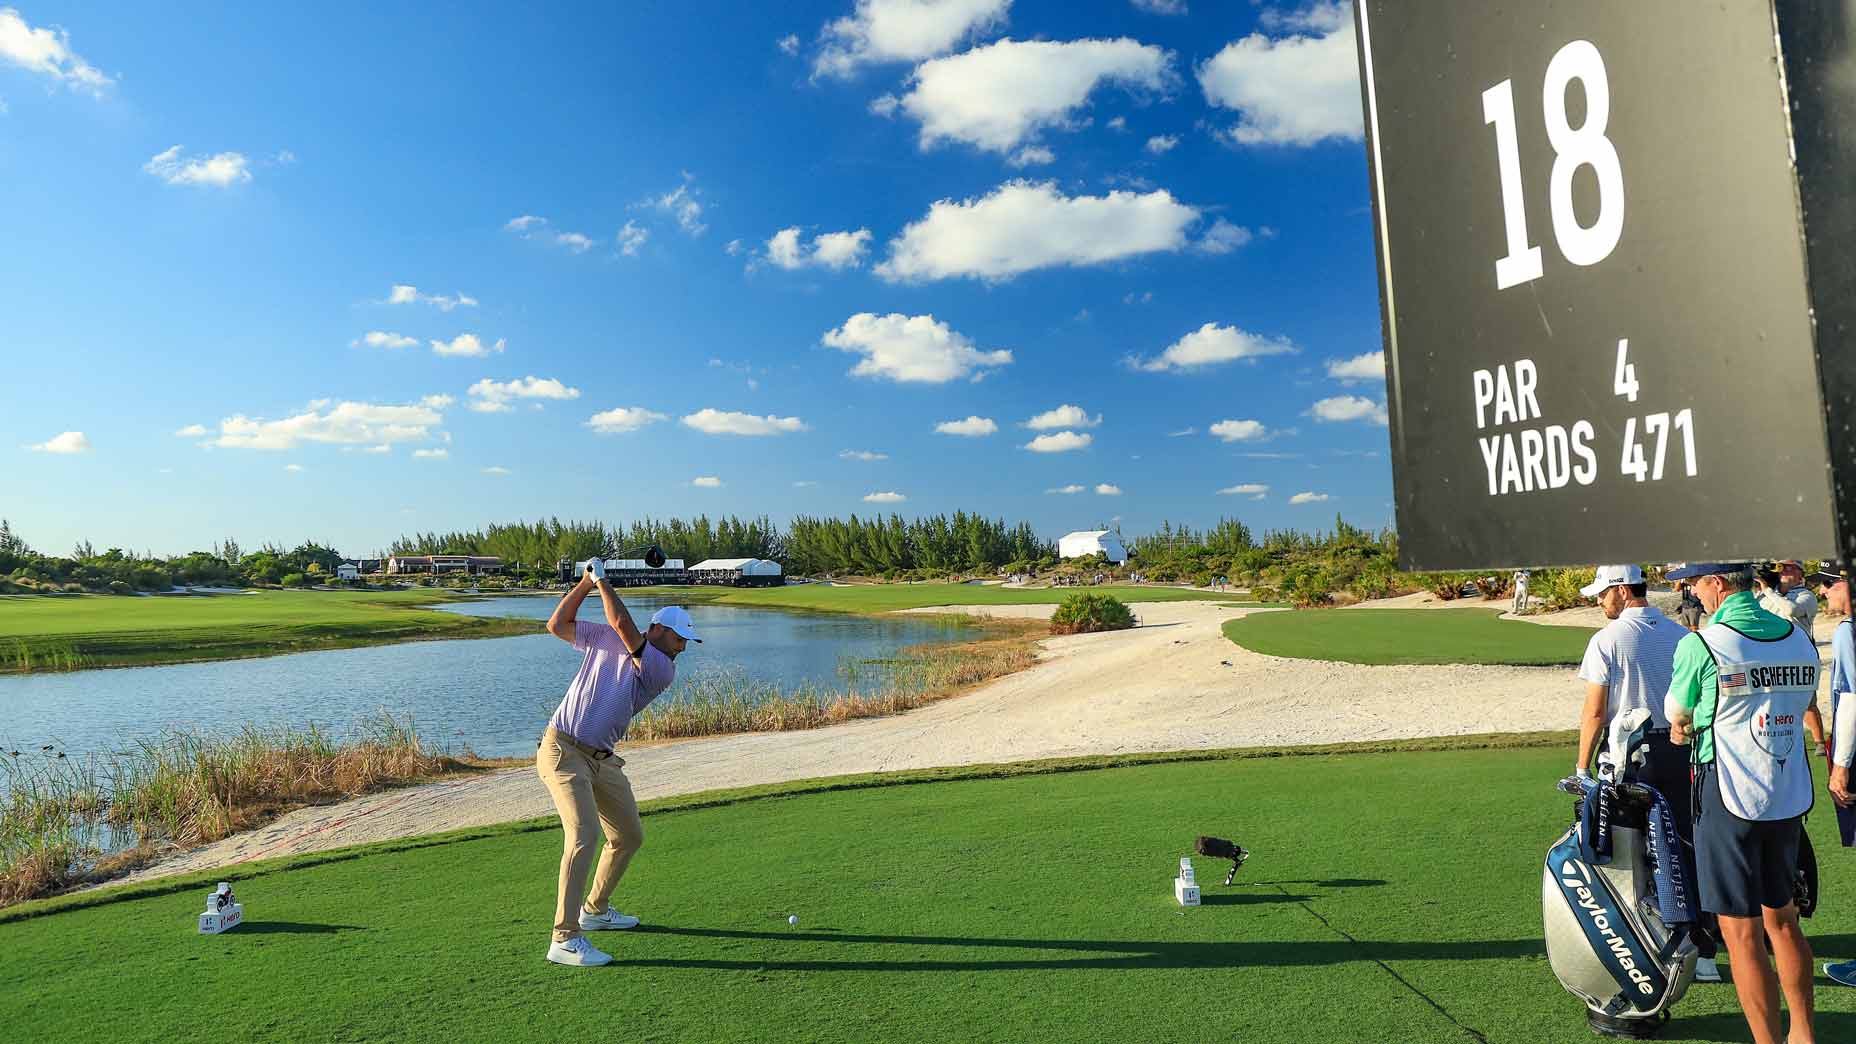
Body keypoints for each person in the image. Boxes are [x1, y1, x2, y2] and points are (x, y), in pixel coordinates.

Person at [1665, 563, 1817, 1044]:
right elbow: (1801, 698)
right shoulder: (1797, 635)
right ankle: (1804, 1035)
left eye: (1694, 582)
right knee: (1784, 919)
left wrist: (1685, 724)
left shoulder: (1703, 642)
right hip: (1786, 791)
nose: (1692, 591)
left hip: (1726, 790)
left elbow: (1677, 711)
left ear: (1718, 583)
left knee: (1741, 932)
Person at [536, 559, 701, 968]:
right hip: (563, 750)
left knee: (628, 835)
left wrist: (602, 579)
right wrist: (585, 582)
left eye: (685, 642)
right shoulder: (606, 637)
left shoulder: (661, 669)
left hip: (603, 761)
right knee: (584, 836)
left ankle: (595, 910)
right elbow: (557, 625)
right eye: (679, 638)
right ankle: (564, 937)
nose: (682, 648)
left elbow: (625, 627)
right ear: (658, 629)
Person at [1571, 564, 1718, 978]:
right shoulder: (1680, 634)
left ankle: (1653, 944)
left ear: (1620, 591)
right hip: (1681, 750)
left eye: (1602, 593)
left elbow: (1595, 711)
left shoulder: (1607, 640)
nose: (1599, 601)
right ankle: (1703, 953)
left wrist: (1582, 767)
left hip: (1631, 757)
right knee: (1687, 846)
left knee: (1638, 854)